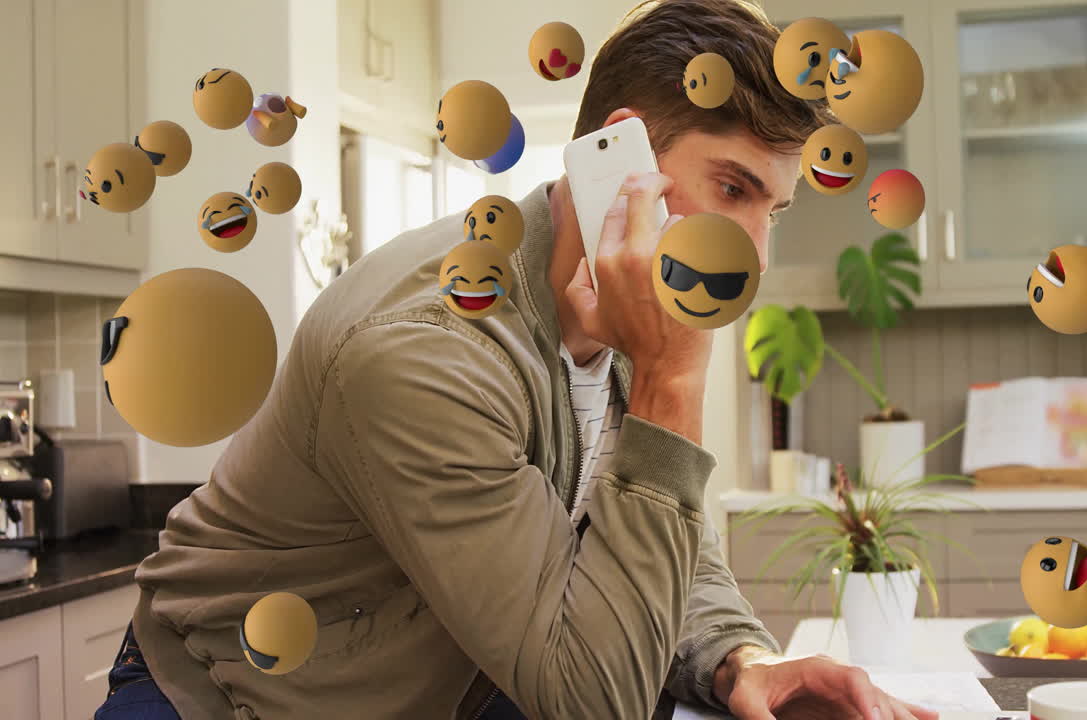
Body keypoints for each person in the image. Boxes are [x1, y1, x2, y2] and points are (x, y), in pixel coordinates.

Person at [95, 1, 939, 719]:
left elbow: (649, 533)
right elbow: (590, 697)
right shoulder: (427, 351)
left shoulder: (602, 300)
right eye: (732, 189)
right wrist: (673, 378)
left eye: (775, 209)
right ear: (624, 158)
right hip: (220, 698)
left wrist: (741, 659)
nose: (753, 249)